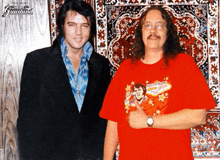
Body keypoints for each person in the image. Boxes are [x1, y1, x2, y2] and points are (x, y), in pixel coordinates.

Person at [99, 5, 216, 160]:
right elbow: (113, 124)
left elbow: (198, 116)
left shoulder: (184, 64)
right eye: (147, 26)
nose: (153, 31)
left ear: (168, 32)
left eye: (159, 26)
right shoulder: (125, 69)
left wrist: (148, 121)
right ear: (141, 32)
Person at [17, 0, 111, 159]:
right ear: (62, 26)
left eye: (85, 26)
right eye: (72, 25)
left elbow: (105, 120)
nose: (79, 32)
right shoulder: (37, 61)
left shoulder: (101, 65)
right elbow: (27, 122)